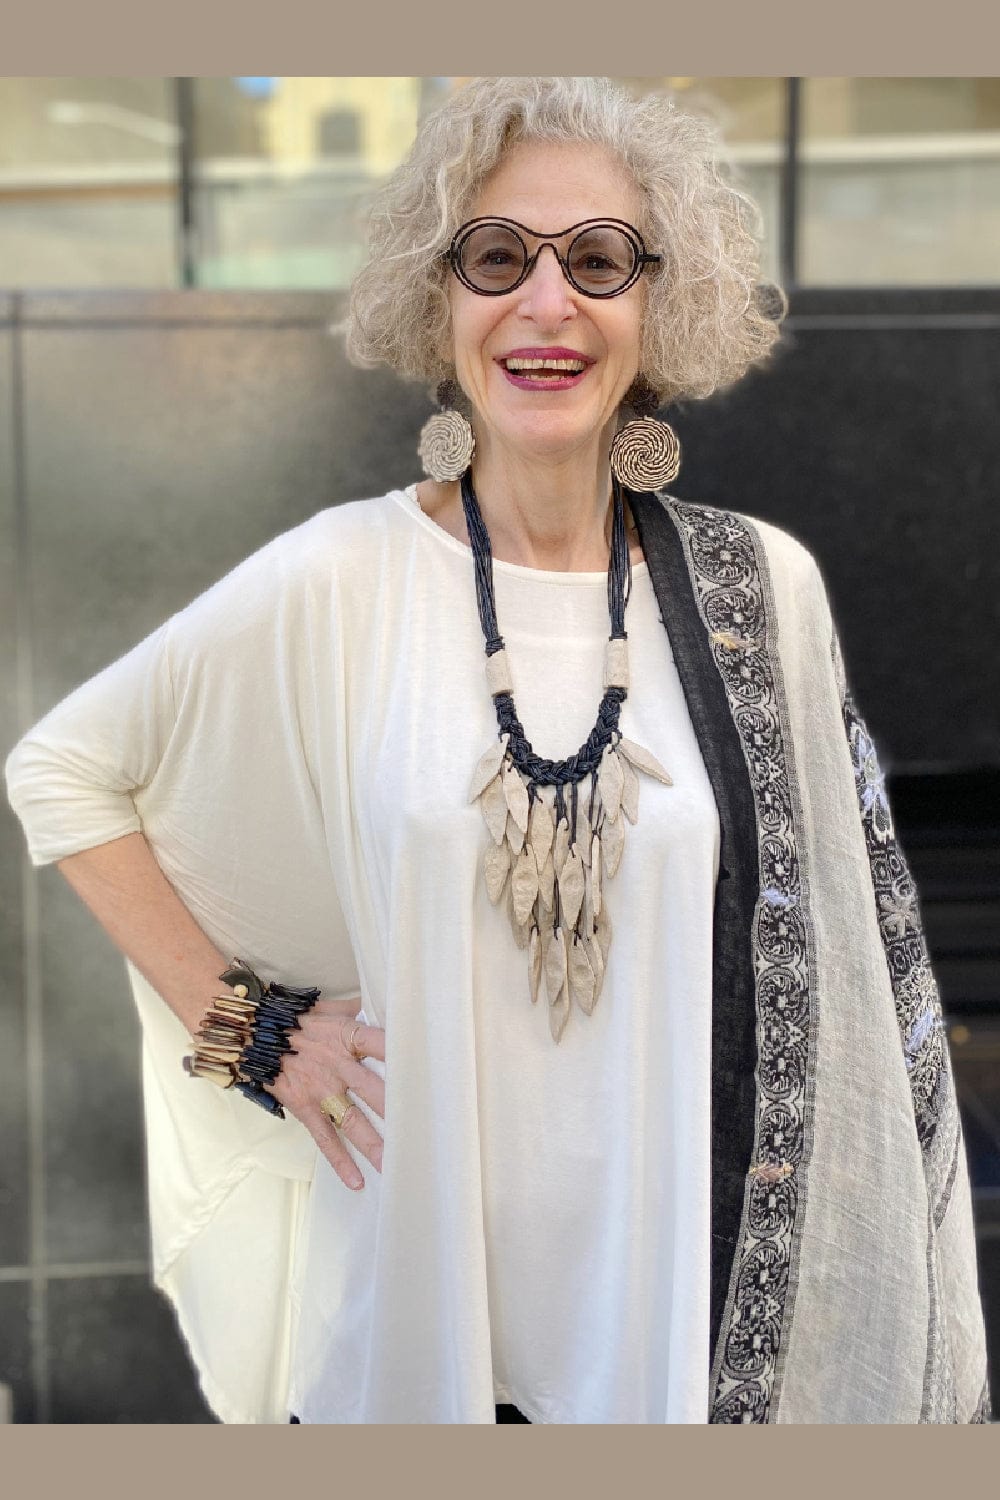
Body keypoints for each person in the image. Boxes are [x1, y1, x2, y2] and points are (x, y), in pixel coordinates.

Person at [4, 76, 991, 1425]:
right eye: (495, 257)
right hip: (410, 1333)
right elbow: (59, 772)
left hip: (681, 1337)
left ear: (659, 305)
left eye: (598, 259)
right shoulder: (340, 577)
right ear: (439, 296)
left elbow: (844, 980)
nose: (546, 303)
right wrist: (254, 1032)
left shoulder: (763, 590)